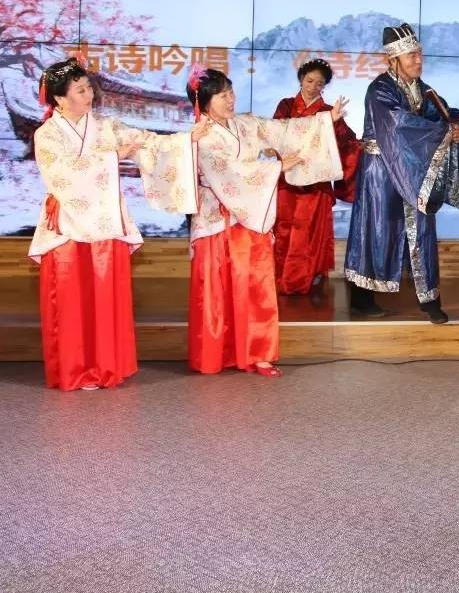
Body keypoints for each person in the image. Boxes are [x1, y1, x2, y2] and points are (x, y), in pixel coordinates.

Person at [30, 58, 207, 392]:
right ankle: (75, 369)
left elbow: (147, 140)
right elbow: (60, 173)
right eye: (79, 90)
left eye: (88, 88)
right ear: (59, 99)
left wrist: (185, 140)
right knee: (71, 301)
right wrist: (112, 157)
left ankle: (105, 366)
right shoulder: (47, 134)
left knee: (104, 298)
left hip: (105, 221)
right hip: (67, 225)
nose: (89, 95)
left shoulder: (106, 126)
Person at [188, 67, 348, 377]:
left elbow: (282, 129)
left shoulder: (244, 124)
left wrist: (325, 120)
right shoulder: (202, 136)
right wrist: (276, 168)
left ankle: (257, 352)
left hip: (250, 215)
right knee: (218, 291)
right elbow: (229, 172)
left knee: (256, 286)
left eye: (231, 92)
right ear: (205, 101)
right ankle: (216, 353)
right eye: (222, 96)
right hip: (217, 220)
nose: (231, 100)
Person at [343, 25, 459, 325]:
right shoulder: (379, 90)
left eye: (419, 54)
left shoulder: (422, 89)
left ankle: (431, 300)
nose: (419, 60)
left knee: (423, 230)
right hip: (381, 172)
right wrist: (442, 132)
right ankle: (362, 298)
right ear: (393, 60)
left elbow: (444, 112)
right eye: (412, 55)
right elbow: (398, 124)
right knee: (378, 229)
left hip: (414, 168)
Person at [272, 58, 361, 296]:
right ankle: (281, 276)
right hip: (288, 179)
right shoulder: (286, 105)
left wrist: (364, 144)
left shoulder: (329, 111)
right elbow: (278, 133)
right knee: (284, 229)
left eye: (319, 83)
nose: (313, 86)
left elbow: (347, 143)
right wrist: (323, 123)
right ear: (301, 79)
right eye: (309, 80)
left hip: (316, 184)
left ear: (324, 86)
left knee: (308, 232)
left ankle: (305, 277)